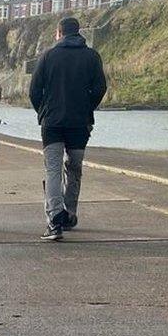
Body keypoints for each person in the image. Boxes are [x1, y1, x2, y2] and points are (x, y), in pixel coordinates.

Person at [29, 17, 107, 241]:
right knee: (74, 168)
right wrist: (87, 108)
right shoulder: (92, 56)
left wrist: (42, 112)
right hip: (79, 123)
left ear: (59, 33)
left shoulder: (48, 56)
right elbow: (100, 88)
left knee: (52, 170)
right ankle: (70, 213)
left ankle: (54, 221)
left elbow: (34, 90)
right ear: (78, 32)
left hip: (52, 123)